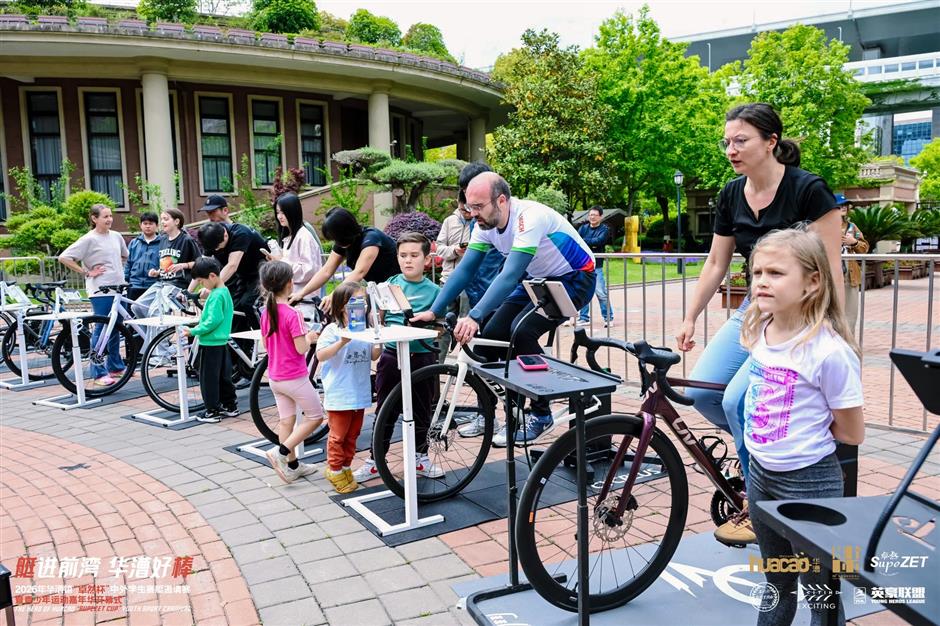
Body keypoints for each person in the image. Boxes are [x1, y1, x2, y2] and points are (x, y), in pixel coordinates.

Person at [674, 102, 845, 547]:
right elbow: (716, 262)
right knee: (700, 392)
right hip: (755, 307)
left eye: (741, 140)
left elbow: (831, 266)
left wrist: (837, 330)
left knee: (736, 402)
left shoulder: (808, 189)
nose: (731, 149)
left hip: (800, 314)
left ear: (771, 142)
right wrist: (690, 315)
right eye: (727, 141)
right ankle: (767, 454)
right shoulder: (732, 194)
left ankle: (758, 504)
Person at [413, 172, 596, 445]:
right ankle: (497, 414)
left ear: (501, 200)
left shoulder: (529, 217)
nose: (472, 214)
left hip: (575, 278)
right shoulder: (483, 225)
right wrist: (434, 310)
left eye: (478, 207)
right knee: (490, 338)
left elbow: (509, 276)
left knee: (521, 332)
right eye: (469, 207)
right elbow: (465, 269)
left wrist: (474, 316)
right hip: (535, 279)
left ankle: (541, 412)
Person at [742, 229, 864, 626]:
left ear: (813, 282)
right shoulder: (761, 330)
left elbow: (852, 433)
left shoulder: (829, 353)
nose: (761, 280)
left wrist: (799, 438)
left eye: (776, 272)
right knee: (777, 583)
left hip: (810, 485)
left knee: (821, 595)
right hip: (761, 476)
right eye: (757, 271)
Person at [352, 233, 442, 484]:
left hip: (423, 356)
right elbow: (378, 317)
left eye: (414, 255)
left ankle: (421, 457)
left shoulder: (436, 291)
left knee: (423, 409)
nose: (408, 261)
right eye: (403, 255)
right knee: (385, 409)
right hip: (391, 355)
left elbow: (441, 328)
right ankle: (374, 460)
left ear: (426, 259)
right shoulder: (388, 283)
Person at [259, 261, 325, 484]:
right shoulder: (292, 314)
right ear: (289, 284)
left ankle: (293, 466)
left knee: (287, 422)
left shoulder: (266, 312)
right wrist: (311, 338)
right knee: (316, 417)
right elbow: (301, 348)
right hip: (294, 377)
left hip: (275, 376)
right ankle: (281, 452)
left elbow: (266, 345)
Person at [315, 282, 381, 493]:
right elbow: (321, 355)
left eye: (363, 300)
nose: (360, 305)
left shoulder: (366, 329)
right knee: (338, 435)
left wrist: (378, 339)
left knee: (353, 434)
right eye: (355, 301)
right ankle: (334, 469)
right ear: (342, 305)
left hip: (359, 392)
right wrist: (342, 341)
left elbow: (373, 355)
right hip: (340, 393)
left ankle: (346, 468)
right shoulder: (332, 330)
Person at [59, 204, 129, 386]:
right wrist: (86, 272)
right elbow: (64, 257)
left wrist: (117, 269)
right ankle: (98, 371)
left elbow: (124, 255)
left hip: (118, 288)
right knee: (102, 327)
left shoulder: (116, 236)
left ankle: (115, 365)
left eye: (111, 216)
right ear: (94, 218)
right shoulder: (88, 239)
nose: (109, 219)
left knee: (116, 328)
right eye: (105, 216)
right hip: (100, 290)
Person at [290, 207, 398, 312]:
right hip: (380, 289)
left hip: (398, 285)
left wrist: (334, 295)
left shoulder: (371, 238)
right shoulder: (342, 243)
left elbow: (359, 272)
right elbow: (326, 271)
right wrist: (301, 293)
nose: (336, 243)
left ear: (346, 231)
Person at [182, 257, 238, 423]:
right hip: (221, 342)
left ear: (212, 276)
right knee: (224, 376)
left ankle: (212, 411)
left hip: (210, 342)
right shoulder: (224, 291)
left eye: (201, 281)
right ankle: (230, 405)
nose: (201, 285)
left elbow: (212, 321)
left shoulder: (215, 296)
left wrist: (193, 331)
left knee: (208, 379)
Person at [262, 192, 323, 321]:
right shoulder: (289, 235)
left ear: (293, 212)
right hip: (292, 299)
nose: (279, 216)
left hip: (304, 301)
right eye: (278, 212)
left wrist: (281, 263)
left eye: (283, 212)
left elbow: (309, 270)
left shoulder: (304, 236)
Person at [196, 221, 269, 329]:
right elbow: (202, 267)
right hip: (243, 275)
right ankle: (244, 344)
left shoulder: (240, 233)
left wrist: (212, 287)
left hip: (262, 273)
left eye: (218, 247)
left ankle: (265, 338)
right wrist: (188, 291)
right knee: (234, 308)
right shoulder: (211, 238)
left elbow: (232, 265)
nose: (216, 250)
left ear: (225, 235)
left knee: (248, 304)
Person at [575, 206, 613, 327]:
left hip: (597, 265)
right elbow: (577, 240)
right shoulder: (583, 228)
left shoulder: (605, 229)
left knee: (601, 292)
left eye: (595, 215)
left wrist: (585, 241)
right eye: (590, 215)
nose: (592, 217)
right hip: (583, 264)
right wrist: (590, 242)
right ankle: (584, 317)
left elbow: (599, 241)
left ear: (600, 216)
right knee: (584, 292)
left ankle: (608, 317)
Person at [837, 195, 868, 336]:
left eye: (846, 205)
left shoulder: (852, 227)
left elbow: (864, 248)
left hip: (850, 276)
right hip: (830, 275)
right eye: (840, 204)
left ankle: (848, 347)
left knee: (850, 315)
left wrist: (853, 242)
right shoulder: (823, 225)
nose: (844, 207)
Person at [150, 208, 201, 290]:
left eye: (166, 219)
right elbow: (166, 266)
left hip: (178, 284)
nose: (162, 222)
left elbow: (200, 263)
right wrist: (157, 272)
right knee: (139, 302)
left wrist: (183, 265)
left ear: (176, 221)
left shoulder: (186, 240)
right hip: (161, 283)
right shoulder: (162, 239)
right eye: (161, 219)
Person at [124, 212, 160, 301]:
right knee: (131, 313)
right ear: (140, 225)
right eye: (145, 223)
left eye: (151, 224)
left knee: (152, 314)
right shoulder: (134, 243)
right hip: (134, 285)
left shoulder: (163, 243)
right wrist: (125, 280)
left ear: (157, 225)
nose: (148, 226)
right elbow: (128, 263)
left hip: (154, 285)